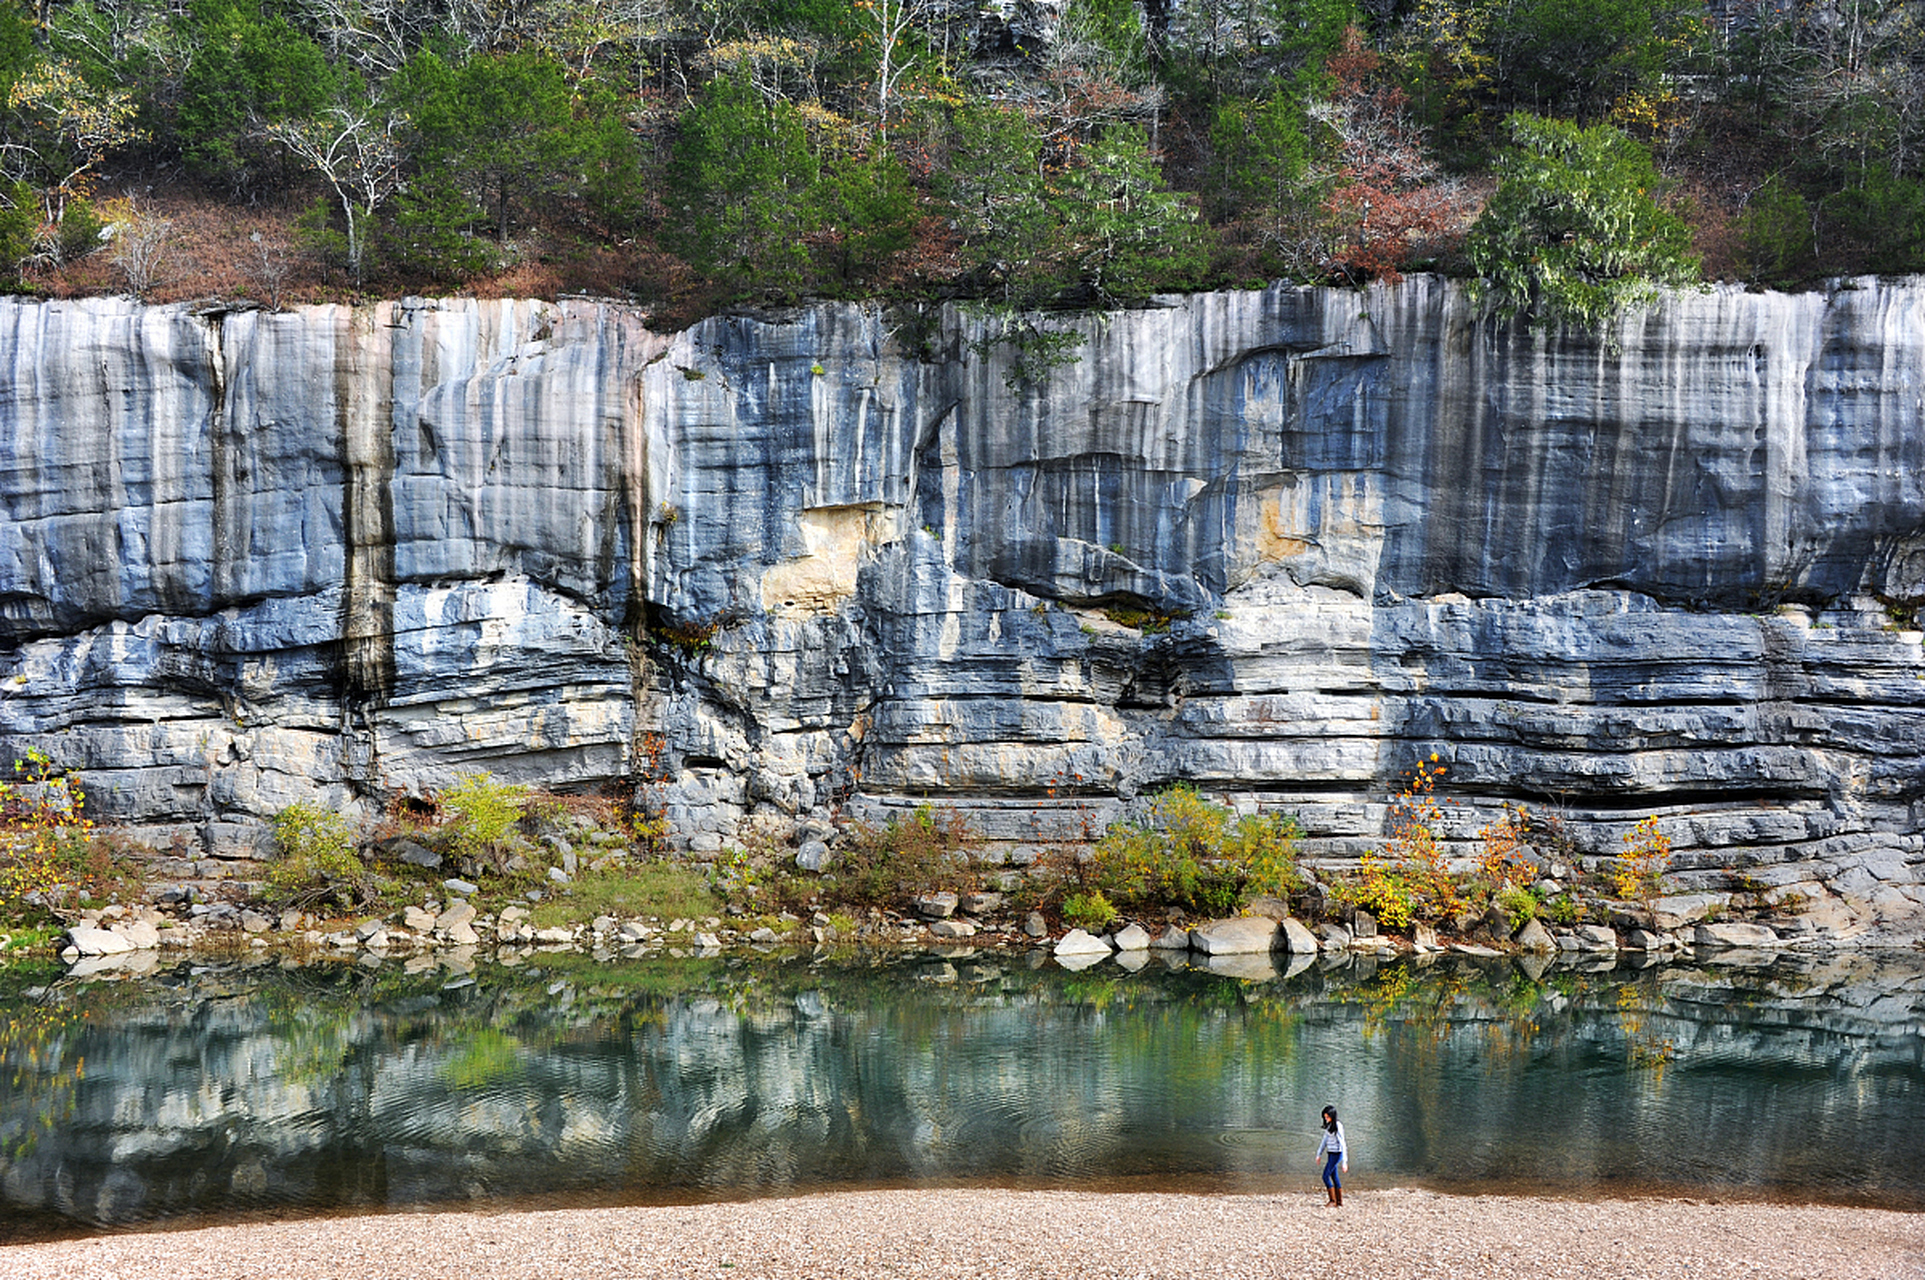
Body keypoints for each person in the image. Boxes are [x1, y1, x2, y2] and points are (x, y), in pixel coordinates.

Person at [1314, 1105, 1347, 1206]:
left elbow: (1343, 1143)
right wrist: (1319, 1154)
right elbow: (1324, 1141)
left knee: (1325, 1176)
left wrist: (1344, 1162)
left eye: (1327, 1117)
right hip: (1331, 1153)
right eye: (1325, 1117)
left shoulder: (1338, 1126)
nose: (1326, 1119)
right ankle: (1339, 1201)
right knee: (1334, 1176)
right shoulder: (1329, 1126)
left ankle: (1332, 1200)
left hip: (1337, 1154)